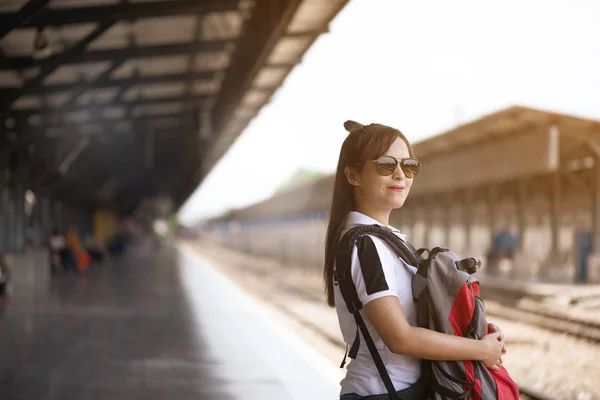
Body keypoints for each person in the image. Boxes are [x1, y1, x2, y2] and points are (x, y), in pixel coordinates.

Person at [323, 121, 506, 399]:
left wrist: (473, 333)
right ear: (353, 175)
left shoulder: (385, 239)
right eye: (386, 165)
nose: (400, 175)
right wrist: (482, 351)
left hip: (401, 390)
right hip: (381, 392)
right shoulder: (365, 245)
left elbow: (419, 316)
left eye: (408, 166)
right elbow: (400, 337)